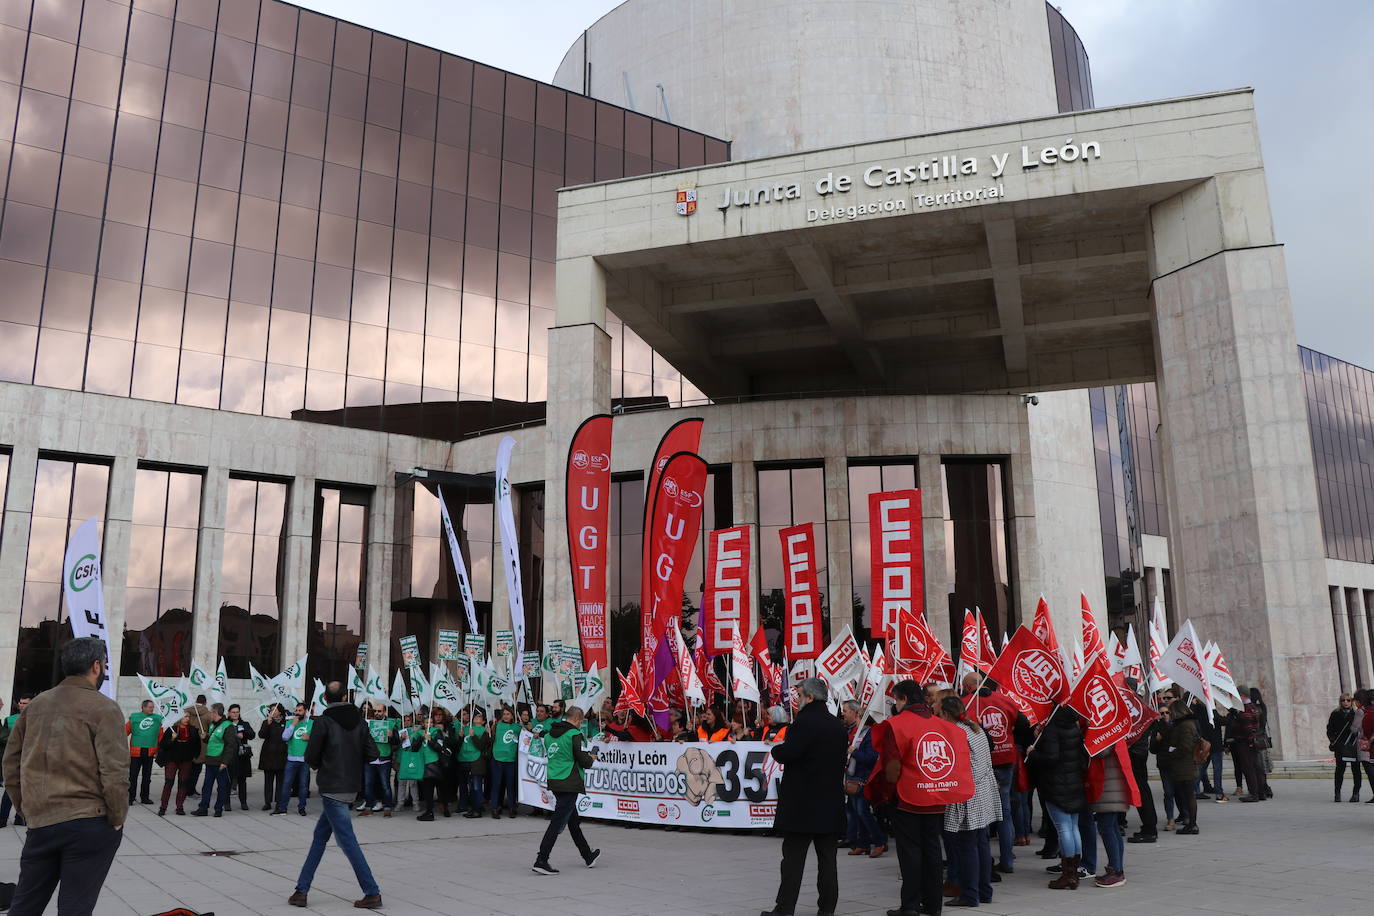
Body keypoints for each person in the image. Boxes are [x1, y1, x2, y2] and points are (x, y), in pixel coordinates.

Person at [2, 637, 127, 916]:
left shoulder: (36, 706)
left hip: (42, 822)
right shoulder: (104, 708)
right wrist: (117, 818)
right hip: (88, 821)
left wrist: (26, 807)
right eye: (104, 664)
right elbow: (115, 771)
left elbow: (10, 763)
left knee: (25, 905)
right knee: (75, 908)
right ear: (96, 666)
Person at [879, 679, 974, 916]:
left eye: (896, 700)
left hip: (907, 798)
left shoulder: (896, 724)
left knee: (910, 853)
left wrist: (886, 795)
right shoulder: (946, 725)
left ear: (903, 699)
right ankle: (934, 905)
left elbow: (892, 768)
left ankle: (910, 905)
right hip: (937, 796)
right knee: (933, 851)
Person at [288, 681, 383, 910]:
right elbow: (373, 753)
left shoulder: (324, 721)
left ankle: (372, 892)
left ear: (326, 699)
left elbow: (310, 756)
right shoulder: (360, 721)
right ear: (344, 696)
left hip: (332, 786)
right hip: (351, 785)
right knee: (319, 837)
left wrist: (324, 763)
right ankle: (301, 890)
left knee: (347, 841)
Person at [758, 678, 846, 916]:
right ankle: (827, 909)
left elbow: (788, 753)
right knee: (828, 861)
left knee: (793, 862)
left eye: (799, 696)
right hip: (830, 803)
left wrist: (776, 749)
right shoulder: (837, 726)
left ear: (809, 697)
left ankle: (784, 908)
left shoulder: (802, 723)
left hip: (802, 806)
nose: (796, 701)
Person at [939, 695, 1000, 909]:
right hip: (983, 792)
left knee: (966, 846)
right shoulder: (975, 729)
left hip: (967, 793)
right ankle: (984, 891)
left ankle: (970, 895)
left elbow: (956, 765)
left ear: (946, 714)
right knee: (981, 844)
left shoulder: (957, 732)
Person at [531, 704, 601, 875]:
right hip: (569, 782)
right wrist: (591, 757)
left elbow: (559, 754)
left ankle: (587, 855)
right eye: (580, 721)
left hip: (555, 780)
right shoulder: (574, 734)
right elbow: (582, 760)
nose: (580, 725)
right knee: (558, 822)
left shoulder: (549, 735)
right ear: (577, 719)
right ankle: (541, 859)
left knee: (572, 820)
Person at [1027, 706, 1087, 889]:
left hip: (1055, 784)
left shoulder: (1053, 729)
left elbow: (1051, 758)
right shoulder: (1073, 727)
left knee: (1063, 828)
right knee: (1073, 826)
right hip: (1073, 783)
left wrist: (1033, 753)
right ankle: (1074, 872)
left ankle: (1067, 874)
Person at [1086, 734, 1139, 888]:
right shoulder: (1115, 732)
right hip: (1113, 788)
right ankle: (1117, 868)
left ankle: (1116, 871)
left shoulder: (1107, 734)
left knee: (1106, 828)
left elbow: (1098, 751)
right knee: (1112, 828)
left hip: (1110, 789)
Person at [840, 700, 885, 859]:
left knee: (863, 811)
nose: (855, 718)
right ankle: (862, 844)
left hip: (863, 778)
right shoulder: (859, 733)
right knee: (856, 811)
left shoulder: (870, 734)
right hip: (854, 777)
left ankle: (879, 841)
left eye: (858, 716)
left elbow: (871, 758)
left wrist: (854, 752)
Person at [1153, 699, 1199, 833]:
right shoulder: (1181, 724)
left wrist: (1172, 752)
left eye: (1171, 711)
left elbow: (1185, 746)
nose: (1170, 714)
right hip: (1182, 766)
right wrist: (1162, 723)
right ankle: (1190, 823)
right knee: (1187, 795)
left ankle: (1192, 824)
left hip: (1185, 765)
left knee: (1189, 795)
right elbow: (1170, 735)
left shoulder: (1186, 725)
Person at [192, 703, 238, 817]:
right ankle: (203, 808)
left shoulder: (228, 726)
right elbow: (214, 740)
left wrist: (225, 762)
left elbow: (230, 746)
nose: (209, 714)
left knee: (222, 787)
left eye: (211, 712)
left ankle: (218, 809)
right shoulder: (213, 724)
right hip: (210, 760)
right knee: (206, 786)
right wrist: (205, 738)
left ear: (215, 713)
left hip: (220, 761)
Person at [155, 710, 201, 816]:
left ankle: (180, 806)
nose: (187, 719)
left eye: (188, 717)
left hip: (186, 760)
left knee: (183, 783)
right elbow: (163, 745)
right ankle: (163, 807)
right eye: (185, 716)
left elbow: (197, 745)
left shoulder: (193, 730)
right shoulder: (172, 729)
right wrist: (172, 738)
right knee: (169, 782)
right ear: (179, 718)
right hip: (172, 759)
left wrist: (194, 756)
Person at [273, 703, 313, 815]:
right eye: (296, 710)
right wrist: (293, 725)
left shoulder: (311, 723)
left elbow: (317, 740)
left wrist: (310, 737)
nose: (297, 713)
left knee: (303, 785)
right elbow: (284, 737)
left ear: (305, 711)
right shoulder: (290, 722)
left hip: (304, 760)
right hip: (291, 758)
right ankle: (282, 808)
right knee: (286, 784)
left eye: (300, 710)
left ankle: (302, 808)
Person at [0, 695, 32, 827]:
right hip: (15, 758)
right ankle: (3, 818)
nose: (22, 705)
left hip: (29, 758)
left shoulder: (36, 719)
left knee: (26, 789)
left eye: (25, 703)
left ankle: (20, 818)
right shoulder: (9, 720)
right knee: (11, 788)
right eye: (21, 703)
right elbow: (5, 740)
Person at [359, 705, 396, 817]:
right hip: (370, 759)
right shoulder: (368, 723)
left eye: (379, 711)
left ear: (384, 712)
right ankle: (369, 807)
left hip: (384, 759)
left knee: (385, 784)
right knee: (368, 784)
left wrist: (392, 736)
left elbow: (396, 741)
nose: (377, 713)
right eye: (375, 711)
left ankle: (387, 807)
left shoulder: (391, 724)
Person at [126, 699, 161, 806]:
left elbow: (160, 735)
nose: (152, 708)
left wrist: (158, 750)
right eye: (150, 707)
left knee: (147, 776)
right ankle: (130, 798)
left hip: (150, 751)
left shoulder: (157, 719)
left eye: (152, 707)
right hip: (136, 751)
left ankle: (145, 797)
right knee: (133, 776)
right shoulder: (135, 718)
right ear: (143, 707)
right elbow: (124, 731)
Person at [1328, 693, 1361, 802]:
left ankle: (1356, 793)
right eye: (1343, 700)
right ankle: (1337, 793)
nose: (1346, 702)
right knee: (1339, 770)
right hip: (1340, 746)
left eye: (1348, 700)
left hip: (1353, 745)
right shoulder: (1335, 714)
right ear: (1340, 702)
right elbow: (1329, 729)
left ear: (1351, 701)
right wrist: (1333, 740)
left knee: (1355, 769)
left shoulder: (1357, 714)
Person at [490, 707, 521, 818]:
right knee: (496, 784)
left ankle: (511, 807)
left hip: (510, 760)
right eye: (504, 714)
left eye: (508, 714)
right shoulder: (497, 726)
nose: (506, 716)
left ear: (512, 715)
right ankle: (494, 808)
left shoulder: (517, 727)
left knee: (510, 785)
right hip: (497, 758)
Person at [460, 710, 492, 817]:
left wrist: (473, 736)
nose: (476, 718)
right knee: (471, 786)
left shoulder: (485, 731)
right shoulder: (467, 728)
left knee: (477, 786)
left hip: (477, 762)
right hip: (468, 761)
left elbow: (481, 746)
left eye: (479, 717)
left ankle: (477, 810)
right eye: (476, 716)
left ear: (483, 721)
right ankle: (474, 808)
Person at [258, 703, 288, 810]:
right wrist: (267, 724)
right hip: (269, 756)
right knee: (268, 781)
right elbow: (261, 735)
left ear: (280, 711)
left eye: (274, 710)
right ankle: (267, 802)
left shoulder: (286, 722)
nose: (272, 712)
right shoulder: (267, 722)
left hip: (281, 755)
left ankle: (279, 801)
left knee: (280, 781)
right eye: (271, 710)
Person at [226, 704, 256, 812]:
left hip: (242, 756)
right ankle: (226, 803)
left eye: (237, 712)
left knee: (242, 781)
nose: (235, 714)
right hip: (229, 756)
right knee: (227, 781)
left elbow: (253, 735)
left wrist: (244, 734)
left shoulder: (244, 724)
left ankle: (243, 802)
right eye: (233, 712)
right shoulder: (226, 724)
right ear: (229, 713)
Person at [184, 694, 211, 799]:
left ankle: (185, 789)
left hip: (187, 743)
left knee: (186, 769)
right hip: (201, 745)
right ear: (205, 702)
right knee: (196, 769)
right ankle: (191, 790)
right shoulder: (208, 714)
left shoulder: (187, 712)